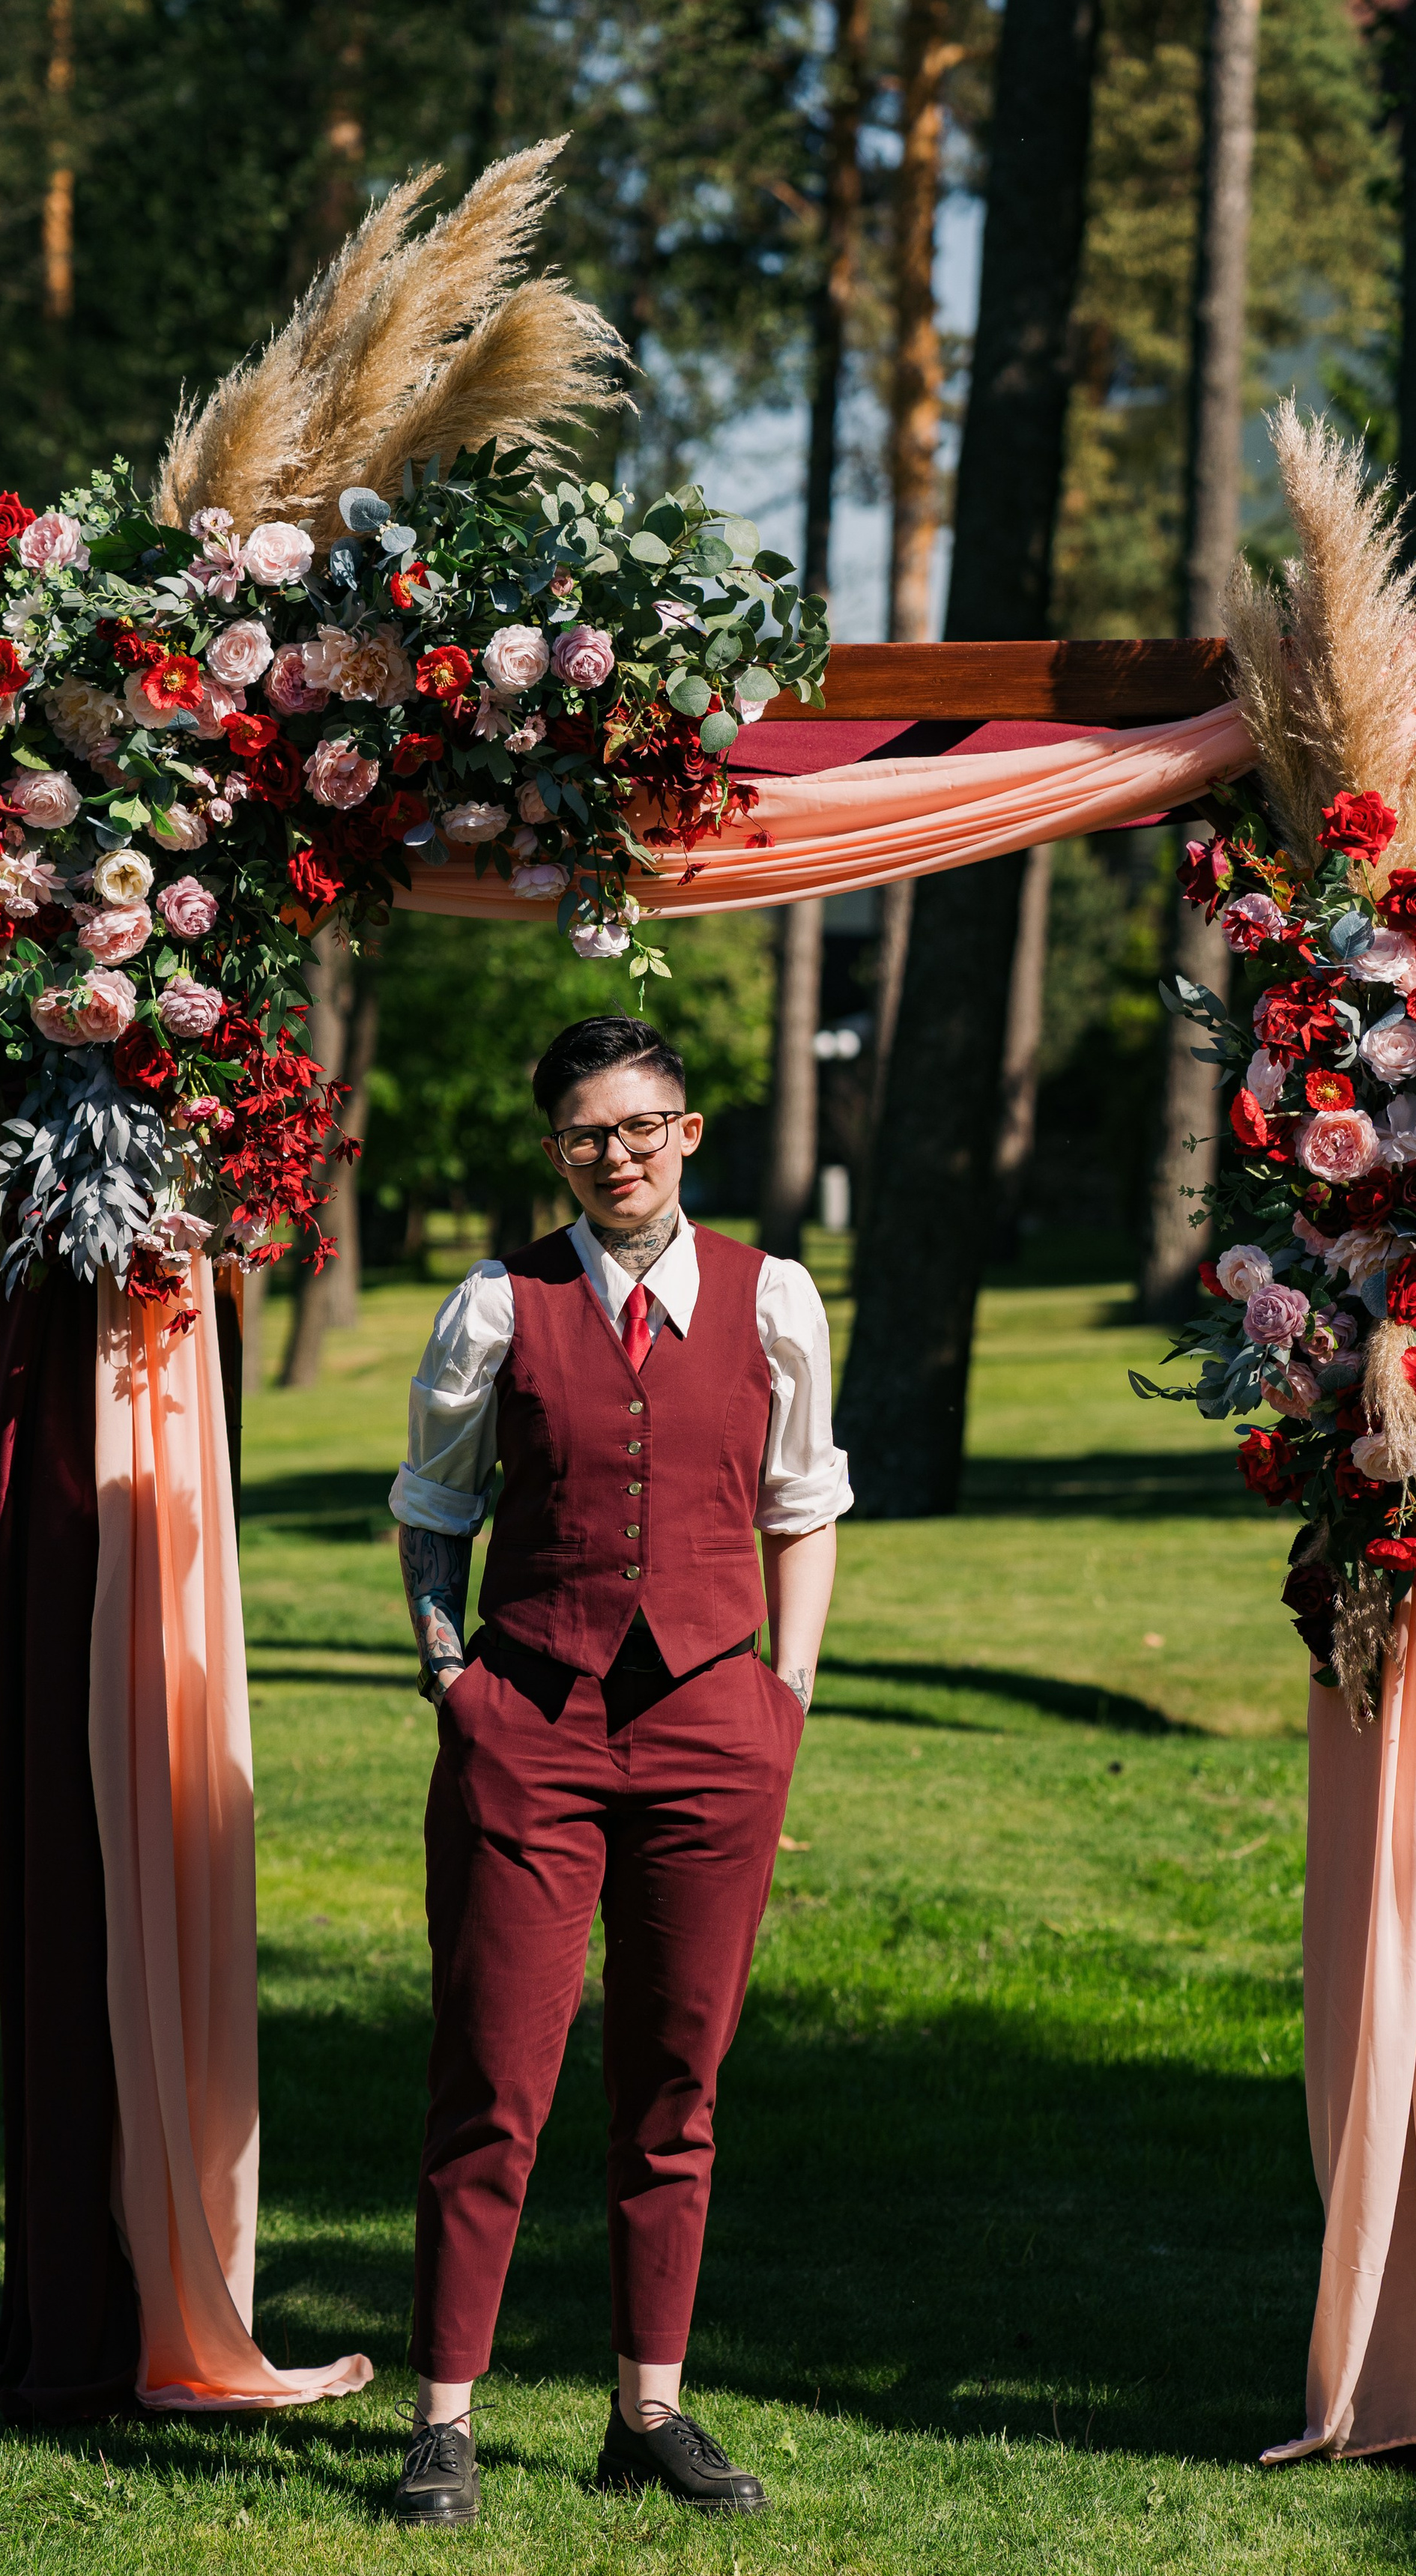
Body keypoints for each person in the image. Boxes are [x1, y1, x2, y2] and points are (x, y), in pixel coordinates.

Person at [386, 1012, 850, 2527]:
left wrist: (786, 1693)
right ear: (555, 1151)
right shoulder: (494, 1304)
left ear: (688, 1134)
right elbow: (432, 1503)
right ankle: (443, 2420)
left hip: (717, 1726)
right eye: (587, 1133)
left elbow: (804, 1502)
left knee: (675, 2078)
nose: (616, 1154)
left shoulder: (775, 1299)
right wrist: (445, 1669)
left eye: (641, 1126)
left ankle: (646, 2407)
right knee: (493, 2076)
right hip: (529, 1721)